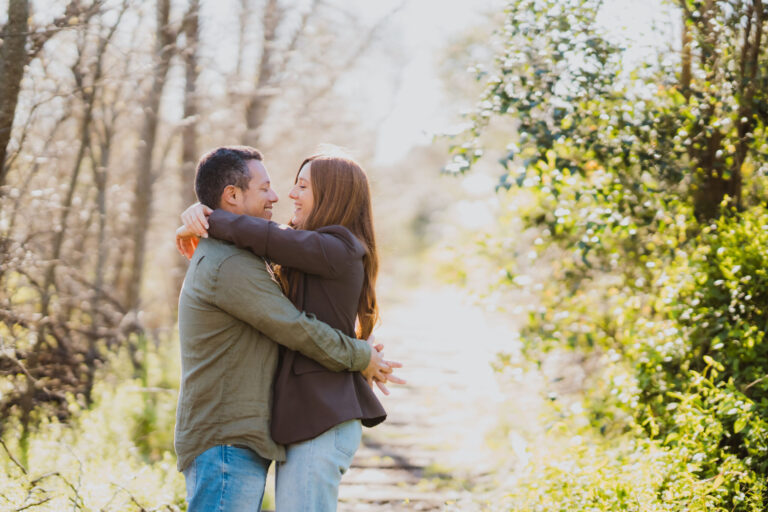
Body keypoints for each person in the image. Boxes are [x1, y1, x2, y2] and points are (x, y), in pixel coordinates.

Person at [177, 152, 403, 511]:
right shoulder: (240, 260)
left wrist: (210, 217)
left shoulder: (337, 246)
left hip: (321, 415)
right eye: (268, 188)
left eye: (302, 185)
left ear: (331, 195)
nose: (284, 196)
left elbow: (294, 322)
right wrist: (199, 218)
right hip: (256, 431)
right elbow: (291, 315)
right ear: (233, 194)